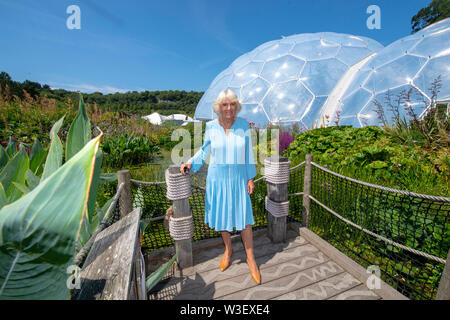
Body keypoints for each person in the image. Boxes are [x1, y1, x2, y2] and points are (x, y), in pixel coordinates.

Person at [180, 89, 261, 285]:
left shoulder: (243, 125)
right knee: (223, 218)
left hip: (238, 178)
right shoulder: (210, 127)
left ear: (236, 106)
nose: (229, 108)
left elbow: (248, 152)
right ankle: (228, 250)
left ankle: (251, 258)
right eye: (225, 105)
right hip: (218, 179)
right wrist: (191, 163)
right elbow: (204, 149)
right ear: (219, 107)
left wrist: (250, 178)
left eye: (232, 104)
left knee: (244, 220)